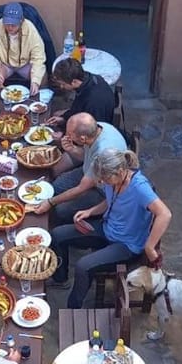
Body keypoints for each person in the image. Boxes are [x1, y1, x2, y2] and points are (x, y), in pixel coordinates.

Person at [50, 148, 172, 309]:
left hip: (126, 245)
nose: (102, 182)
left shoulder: (139, 187)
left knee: (83, 266)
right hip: (107, 227)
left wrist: (150, 246)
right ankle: (60, 279)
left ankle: (73, 309)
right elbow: (111, 200)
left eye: (105, 179)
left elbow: (165, 214)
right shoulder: (113, 179)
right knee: (57, 235)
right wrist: (90, 212)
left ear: (121, 172)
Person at [33, 113, 126, 224]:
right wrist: (72, 149)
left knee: (60, 210)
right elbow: (86, 156)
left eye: (69, 135)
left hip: (104, 190)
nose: (66, 137)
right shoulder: (98, 127)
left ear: (82, 139)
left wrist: (50, 202)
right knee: (55, 187)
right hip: (88, 172)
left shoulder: (102, 153)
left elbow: (81, 188)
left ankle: (67, 226)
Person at [0, 2, 46, 96]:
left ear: (21, 21)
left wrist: (35, 81)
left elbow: (38, 57)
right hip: (5, 64)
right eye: (7, 23)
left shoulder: (31, 29)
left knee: (41, 75)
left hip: (25, 64)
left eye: (13, 24)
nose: (10, 27)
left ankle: (38, 102)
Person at [48, 57, 117, 134]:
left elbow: (92, 132)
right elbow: (77, 107)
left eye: (63, 84)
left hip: (97, 129)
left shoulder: (93, 102)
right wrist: (63, 118)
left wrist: (64, 134)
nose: (61, 86)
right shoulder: (89, 78)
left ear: (74, 81)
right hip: (87, 116)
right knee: (57, 115)